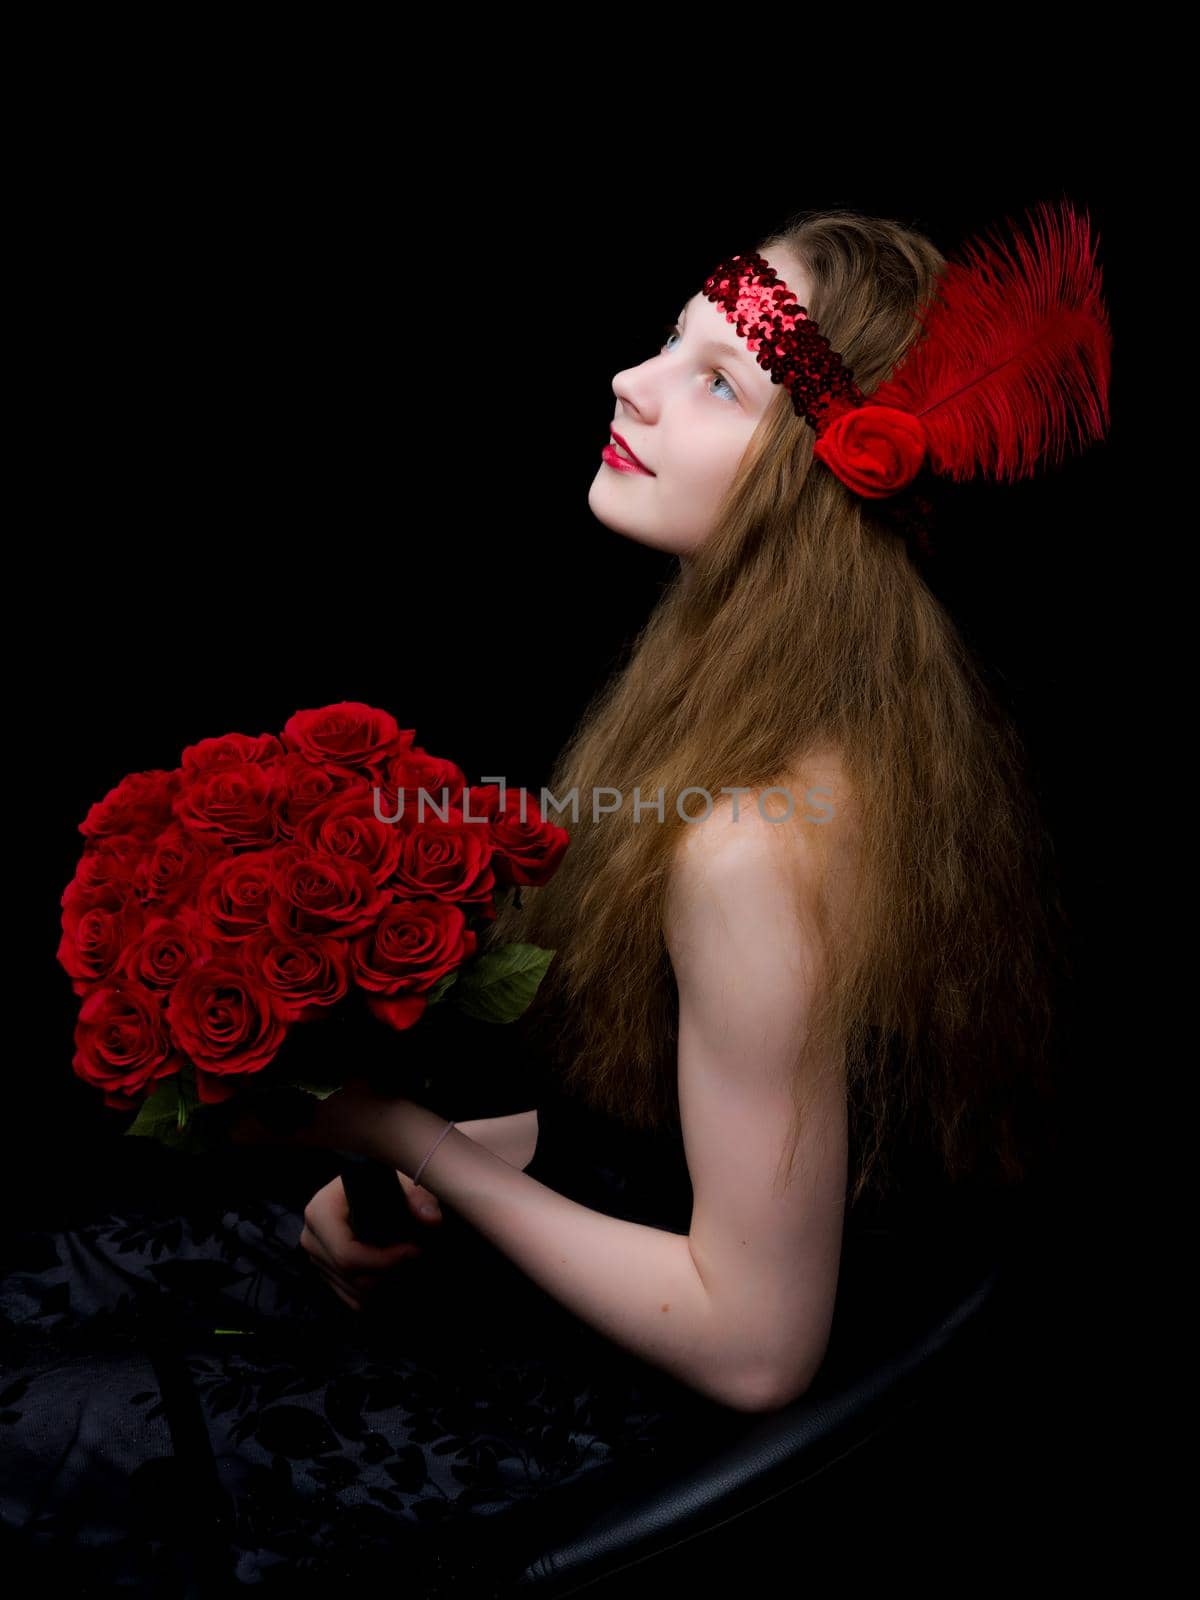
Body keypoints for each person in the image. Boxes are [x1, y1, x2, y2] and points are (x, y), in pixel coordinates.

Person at [2, 203, 1107, 1594]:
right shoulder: (810, 715)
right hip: (598, 1235)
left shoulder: (757, 842)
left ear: (821, 482)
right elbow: (701, 1131)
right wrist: (440, 1164)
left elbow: (759, 1346)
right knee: (64, 1274)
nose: (630, 383)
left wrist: (404, 1130)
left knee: (43, 1427)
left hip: (618, 1415)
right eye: (669, 342)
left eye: (718, 381)